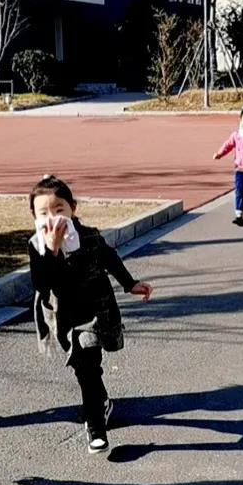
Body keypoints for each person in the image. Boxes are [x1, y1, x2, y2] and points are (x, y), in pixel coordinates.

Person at [28, 175, 153, 454]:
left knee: (87, 365)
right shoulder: (37, 245)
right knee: (83, 368)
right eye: (44, 213)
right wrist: (52, 249)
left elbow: (109, 257)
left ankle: (95, 426)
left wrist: (130, 283)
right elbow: (42, 284)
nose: (53, 217)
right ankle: (102, 402)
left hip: (94, 312)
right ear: (34, 216)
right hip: (63, 317)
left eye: (59, 209)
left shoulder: (89, 236)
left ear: (72, 208)